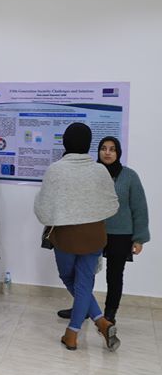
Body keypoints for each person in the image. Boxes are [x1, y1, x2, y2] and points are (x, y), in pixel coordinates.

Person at [34, 122, 120, 352]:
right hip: (95, 235)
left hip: (66, 237)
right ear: (89, 144)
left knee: (68, 278)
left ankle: (74, 333)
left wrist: (68, 210)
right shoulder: (100, 170)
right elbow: (113, 206)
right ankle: (99, 322)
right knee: (84, 283)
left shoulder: (56, 169)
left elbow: (42, 210)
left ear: (65, 143)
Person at [55, 137, 149, 324]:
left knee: (114, 276)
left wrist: (139, 238)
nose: (107, 152)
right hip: (92, 231)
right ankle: (82, 309)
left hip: (120, 234)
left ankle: (109, 315)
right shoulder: (90, 173)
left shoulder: (129, 176)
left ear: (118, 152)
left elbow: (139, 208)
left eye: (112, 149)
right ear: (97, 151)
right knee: (84, 274)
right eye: (103, 148)